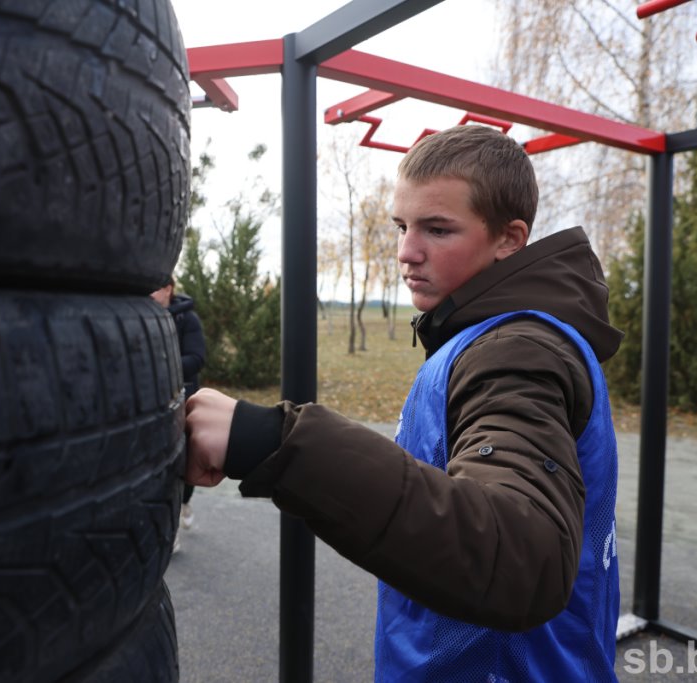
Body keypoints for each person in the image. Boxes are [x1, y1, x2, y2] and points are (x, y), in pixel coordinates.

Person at [184, 125, 622, 681]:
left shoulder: (515, 353)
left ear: (510, 239)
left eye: (437, 230)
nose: (406, 252)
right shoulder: (498, 335)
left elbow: (522, 556)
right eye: (401, 226)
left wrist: (272, 440)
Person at [151, 276, 206, 551]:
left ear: (168, 289)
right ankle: (166, 527)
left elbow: (197, 359)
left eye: (155, 288)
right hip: (149, 405)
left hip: (180, 400)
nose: (149, 294)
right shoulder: (139, 318)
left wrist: (159, 367)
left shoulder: (187, 320)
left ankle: (182, 505)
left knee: (182, 463)